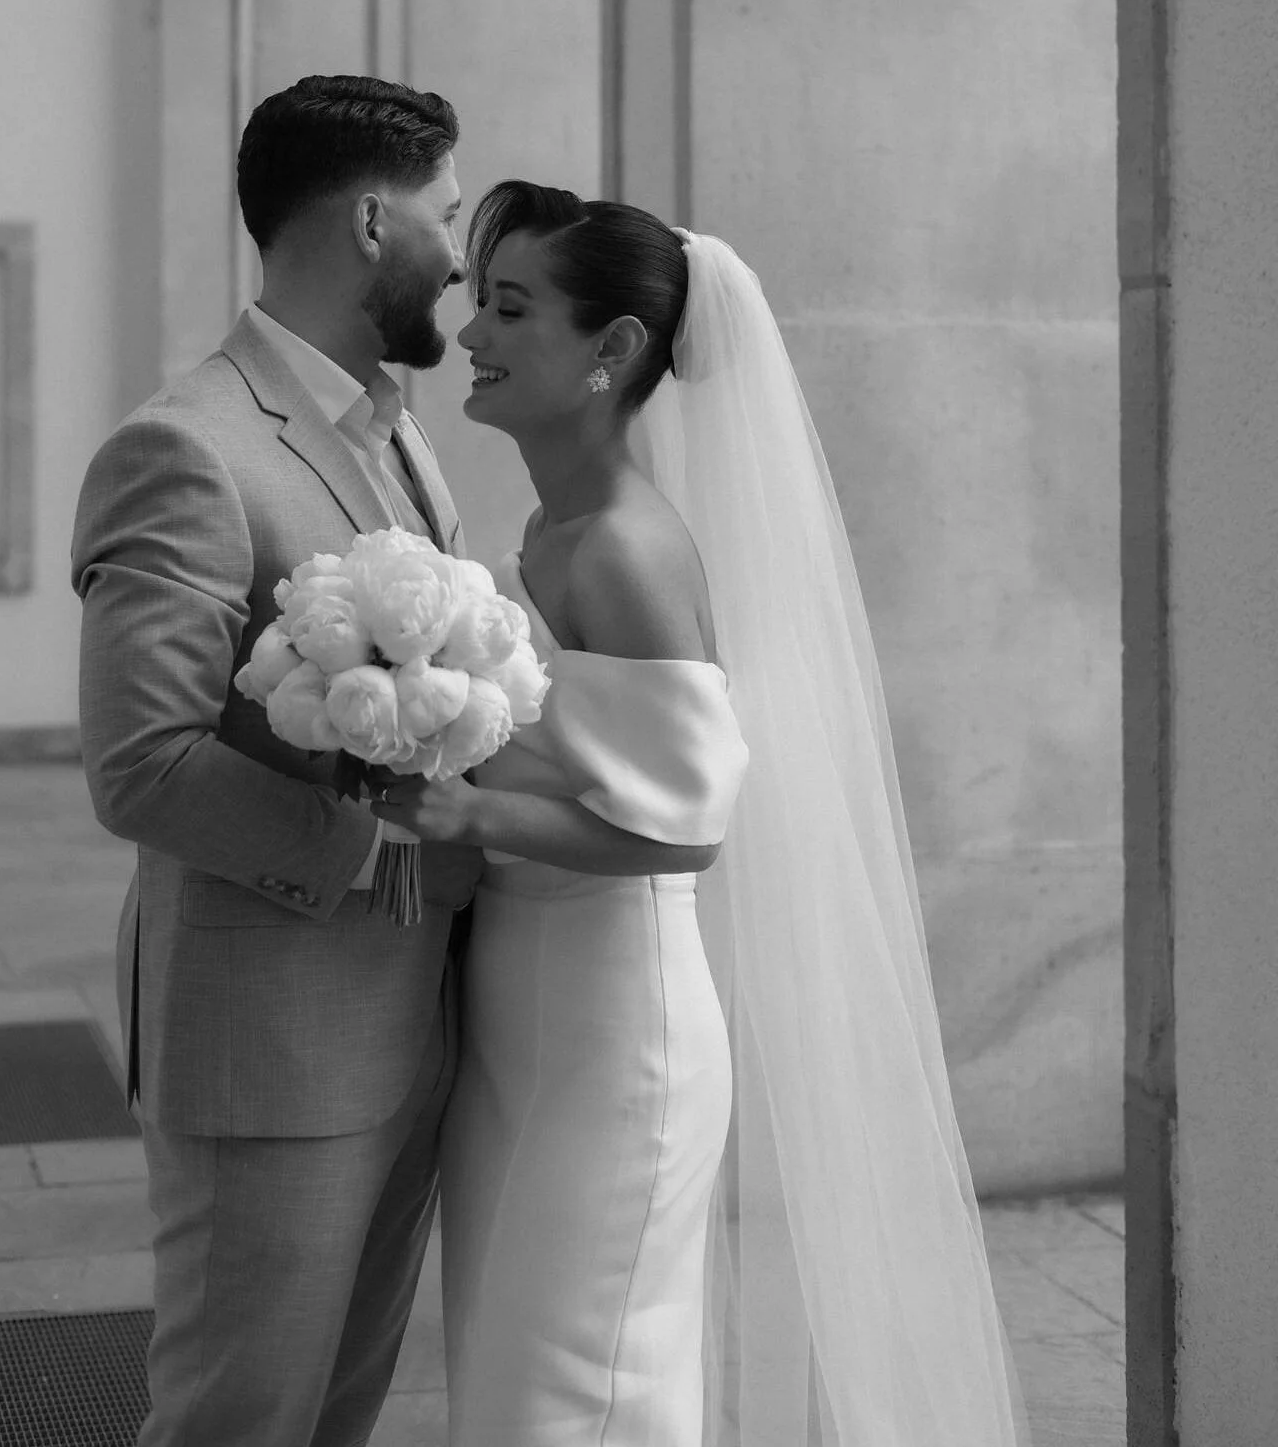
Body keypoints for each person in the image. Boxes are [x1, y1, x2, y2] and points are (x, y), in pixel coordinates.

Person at [372, 181, 1031, 1446]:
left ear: (613, 352)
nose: (471, 335)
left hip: (616, 1032)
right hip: (529, 1009)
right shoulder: (550, 527)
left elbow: (686, 829)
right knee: (520, 1373)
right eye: (480, 301)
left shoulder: (621, 547)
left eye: (510, 309)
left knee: (582, 1385)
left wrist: (462, 817)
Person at [71, 74, 483, 1447]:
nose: (460, 249)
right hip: (272, 1051)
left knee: (336, 1421)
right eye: (444, 210)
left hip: (408, 1026)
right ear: (373, 219)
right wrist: (380, 847)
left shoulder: (399, 428)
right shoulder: (186, 446)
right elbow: (143, 762)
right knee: (236, 1423)